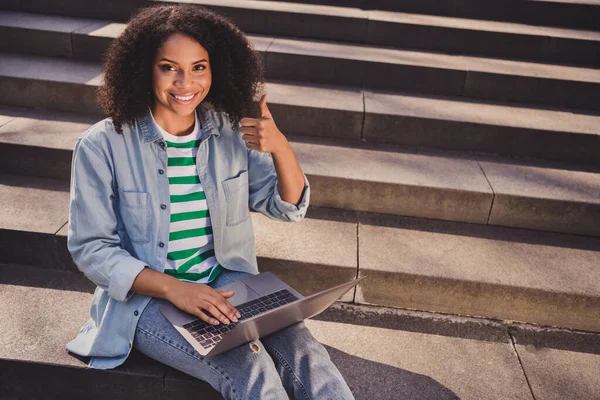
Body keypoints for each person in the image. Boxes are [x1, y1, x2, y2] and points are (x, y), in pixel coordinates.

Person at [64, 3, 354, 399]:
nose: (186, 83)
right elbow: (91, 248)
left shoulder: (228, 130)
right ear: (144, 69)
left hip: (227, 280)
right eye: (169, 67)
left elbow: (284, 205)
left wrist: (282, 149)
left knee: (306, 353)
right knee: (252, 369)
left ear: (215, 69)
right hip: (146, 301)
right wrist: (174, 288)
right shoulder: (102, 145)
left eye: (198, 67)